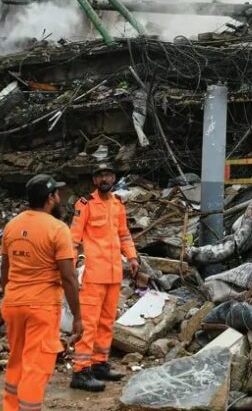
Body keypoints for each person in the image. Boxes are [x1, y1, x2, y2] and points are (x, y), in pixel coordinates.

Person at [1, 174, 83, 411]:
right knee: (36, 367)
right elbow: (69, 277)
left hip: (13, 303)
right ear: (50, 198)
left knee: (16, 361)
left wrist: (10, 296)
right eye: (57, 194)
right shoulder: (57, 229)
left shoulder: (12, 225)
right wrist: (77, 316)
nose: (59, 198)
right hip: (41, 307)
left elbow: (5, 268)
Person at [68, 163, 139, 391]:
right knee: (88, 323)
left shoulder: (118, 204)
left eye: (108, 174)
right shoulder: (85, 204)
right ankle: (80, 371)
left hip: (114, 273)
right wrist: (70, 267)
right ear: (94, 180)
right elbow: (73, 238)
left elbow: (124, 234)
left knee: (107, 322)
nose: (104, 179)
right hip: (93, 274)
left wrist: (132, 257)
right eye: (100, 176)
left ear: (114, 178)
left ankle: (99, 364)